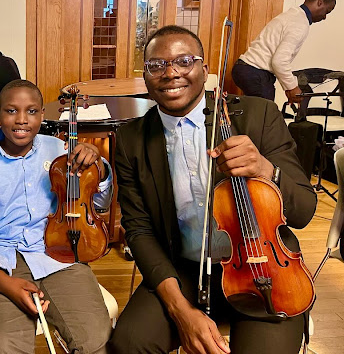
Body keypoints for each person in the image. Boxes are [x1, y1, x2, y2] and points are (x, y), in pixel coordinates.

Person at [108, 26, 317, 354]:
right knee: (129, 343)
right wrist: (180, 310)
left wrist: (264, 168)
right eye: (156, 65)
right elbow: (139, 229)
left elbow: (304, 210)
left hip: (264, 267)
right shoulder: (131, 138)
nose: (171, 73)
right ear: (146, 78)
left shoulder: (257, 116)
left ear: (205, 71)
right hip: (183, 269)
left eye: (184, 61)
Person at [0, 79, 113, 353]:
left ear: (42, 114)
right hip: (2, 260)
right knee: (8, 344)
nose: (21, 120)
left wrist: (99, 167)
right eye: (11, 111)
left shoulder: (60, 150)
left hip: (57, 252)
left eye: (31, 111)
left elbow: (97, 203)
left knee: (96, 338)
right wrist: (3, 282)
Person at [232, 0, 336, 103]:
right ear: (319, 2)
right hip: (256, 72)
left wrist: (288, 87)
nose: (325, 17)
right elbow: (279, 61)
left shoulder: (292, 15)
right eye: (327, 11)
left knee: (257, 115)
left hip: (245, 68)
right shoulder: (300, 23)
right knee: (266, 116)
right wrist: (292, 87)